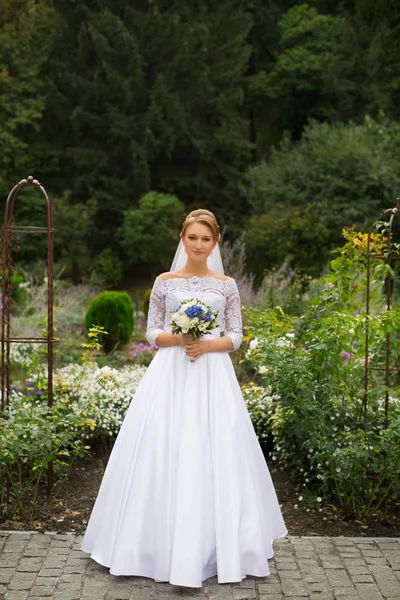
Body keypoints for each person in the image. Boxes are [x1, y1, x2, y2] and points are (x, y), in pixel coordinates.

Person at [81, 209, 287, 587]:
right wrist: (181, 340)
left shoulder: (226, 285)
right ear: (182, 238)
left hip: (211, 374)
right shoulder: (164, 282)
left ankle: (215, 548)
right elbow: (152, 332)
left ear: (215, 243)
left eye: (205, 239)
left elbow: (236, 336)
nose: (198, 245)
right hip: (171, 372)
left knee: (215, 450)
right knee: (161, 448)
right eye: (192, 238)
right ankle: (145, 546)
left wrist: (205, 346)